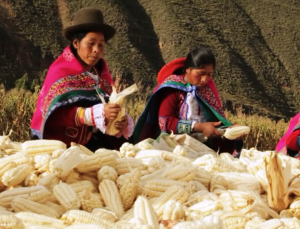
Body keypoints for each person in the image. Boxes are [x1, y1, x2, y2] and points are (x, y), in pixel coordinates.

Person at [31, 7, 133, 152]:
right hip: (59, 145)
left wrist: (117, 121)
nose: (96, 50)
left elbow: (104, 114)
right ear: (76, 43)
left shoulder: (102, 76)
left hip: (90, 145)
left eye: (101, 45)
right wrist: (89, 114)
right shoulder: (60, 72)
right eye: (91, 43)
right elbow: (54, 115)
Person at [132, 46, 244, 155]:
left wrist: (230, 130)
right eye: (201, 73)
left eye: (209, 74)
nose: (205, 79)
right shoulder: (172, 89)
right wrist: (199, 127)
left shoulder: (206, 94)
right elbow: (166, 122)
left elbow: (216, 123)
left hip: (201, 148)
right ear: (188, 69)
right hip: (172, 147)